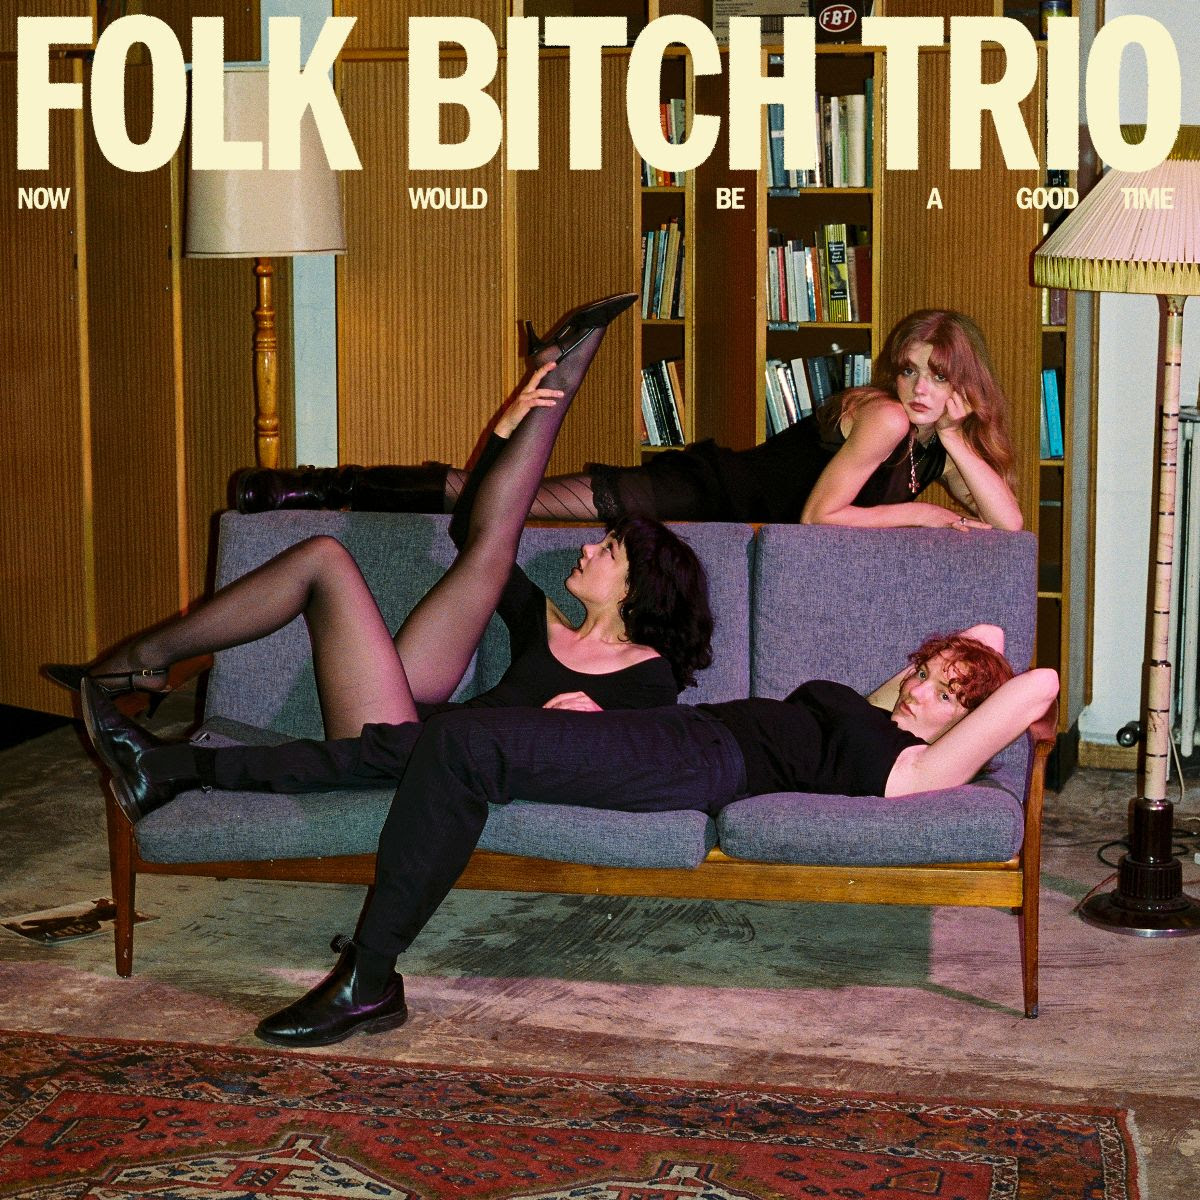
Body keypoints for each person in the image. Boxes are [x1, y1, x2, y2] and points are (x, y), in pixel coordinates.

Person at [81, 624, 1058, 1047]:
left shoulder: (910, 764)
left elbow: (1035, 685)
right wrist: (956, 659)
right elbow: (980, 637)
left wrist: (980, 692)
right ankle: (176, 770)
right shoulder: (877, 708)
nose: (923, 690)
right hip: (678, 730)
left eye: (948, 695)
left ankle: (369, 977)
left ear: (966, 726)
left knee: (461, 750)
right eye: (924, 673)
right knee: (413, 745)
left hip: (699, 767)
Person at [47, 293, 712, 810]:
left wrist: (594, 728)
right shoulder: (545, 624)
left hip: (417, 757)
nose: (589, 547)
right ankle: (146, 661)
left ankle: (142, 670)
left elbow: (654, 755)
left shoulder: (645, 676)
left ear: (641, 588)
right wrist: (504, 428)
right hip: (416, 721)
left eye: (610, 549)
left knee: (342, 560)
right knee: (402, 553)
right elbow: (475, 532)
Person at [235, 309, 1024, 533]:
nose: (918, 387)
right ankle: (309, 489)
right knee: (507, 496)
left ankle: (313, 490)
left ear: (965, 384)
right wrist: (924, 515)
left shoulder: (932, 442)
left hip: (724, 513)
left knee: (503, 496)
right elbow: (821, 518)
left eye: (939, 376)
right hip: (702, 492)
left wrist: (957, 436)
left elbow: (1009, 524)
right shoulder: (885, 420)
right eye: (910, 369)